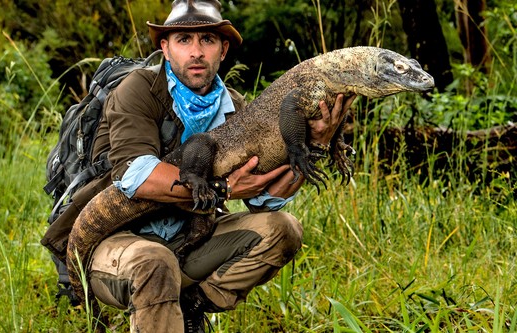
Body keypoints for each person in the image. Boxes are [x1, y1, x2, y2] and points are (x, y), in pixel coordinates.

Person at [64, 0, 356, 332]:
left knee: (282, 228)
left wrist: (314, 145)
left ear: (223, 48)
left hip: (189, 237)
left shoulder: (238, 110)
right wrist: (223, 190)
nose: (196, 52)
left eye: (208, 40)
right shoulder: (139, 89)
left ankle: (193, 305)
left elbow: (267, 198)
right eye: (184, 40)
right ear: (166, 47)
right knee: (155, 263)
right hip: (119, 243)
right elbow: (136, 177)